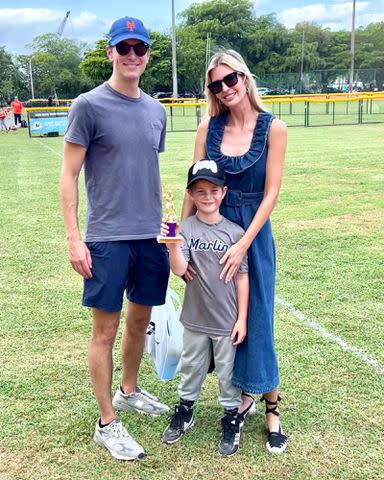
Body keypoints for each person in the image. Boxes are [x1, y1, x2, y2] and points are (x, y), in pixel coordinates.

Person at [59, 16, 170, 461]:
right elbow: (68, 175)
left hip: (149, 238)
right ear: (110, 53)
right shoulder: (88, 105)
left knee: (140, 321)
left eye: (139, 49)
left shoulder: (156, 110)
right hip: (106, 238)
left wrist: (171, 235)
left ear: (146, 56)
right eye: (123, 48)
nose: (131, 56)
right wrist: (73, 238)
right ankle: (107, 423)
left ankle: (128, 391)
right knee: (105, 331)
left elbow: (151, 176)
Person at [182, 50, 288, 454]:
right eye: (216, 84)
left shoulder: (274, 127)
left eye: (231, 79)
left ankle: (271, 406)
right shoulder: (208, 127)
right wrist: (181, 241)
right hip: (212, 233)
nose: (224, 89)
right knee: (222, 318)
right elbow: (193, 187)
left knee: (257, 316)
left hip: (253, 235)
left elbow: (272, 192)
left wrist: (244, 240)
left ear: (245, 77)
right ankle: (238, 399)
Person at [162, 159, 249, 457]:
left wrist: (243, 319)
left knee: (227, 373)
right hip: (195, 319)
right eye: (200, 191)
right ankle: (185, 410)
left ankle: (230, 417)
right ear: (190, 195)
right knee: (191, 367)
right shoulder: (184, 228)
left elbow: (242, 278)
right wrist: (173, 243)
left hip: (227, 321)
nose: (207, 196)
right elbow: (179, 269)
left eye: (213, 190)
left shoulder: (236, 233)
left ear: (223, 192)